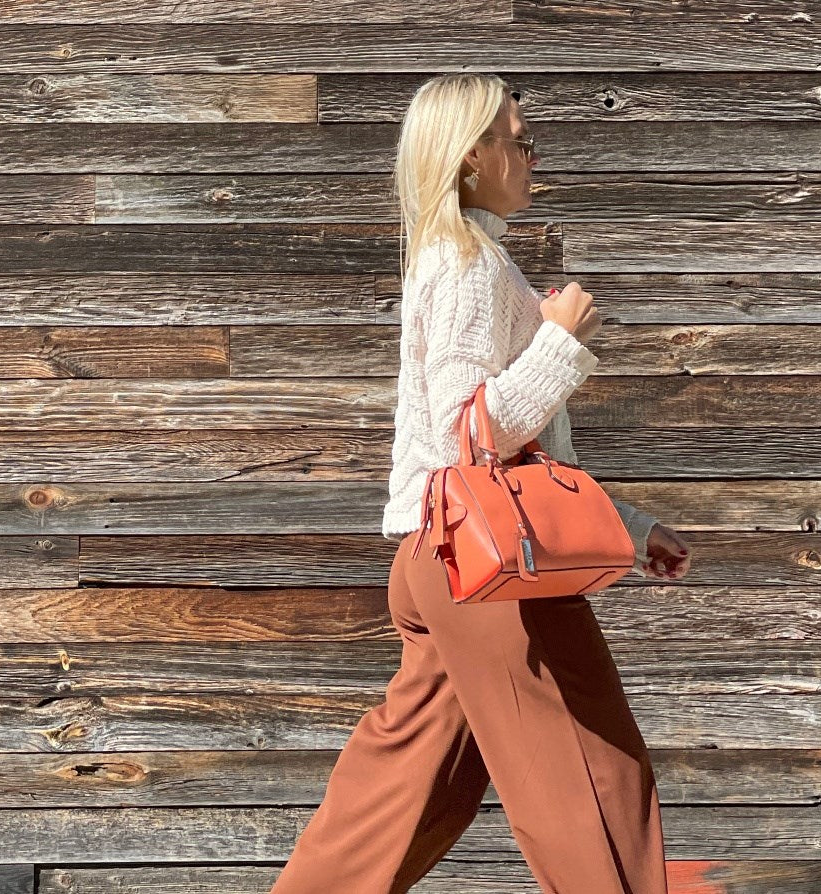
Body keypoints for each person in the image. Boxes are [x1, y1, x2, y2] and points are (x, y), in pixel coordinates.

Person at [269, 73, 692, 894]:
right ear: (471, 156)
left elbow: (517, 464)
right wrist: (561, 342)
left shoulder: (460, 258)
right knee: (594, 784)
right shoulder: (469, 264)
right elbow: (473, 432)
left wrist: (632, 529)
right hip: (489, 573)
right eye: (520, 142)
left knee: (400, 797)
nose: (535, 156)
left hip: (441, 560)